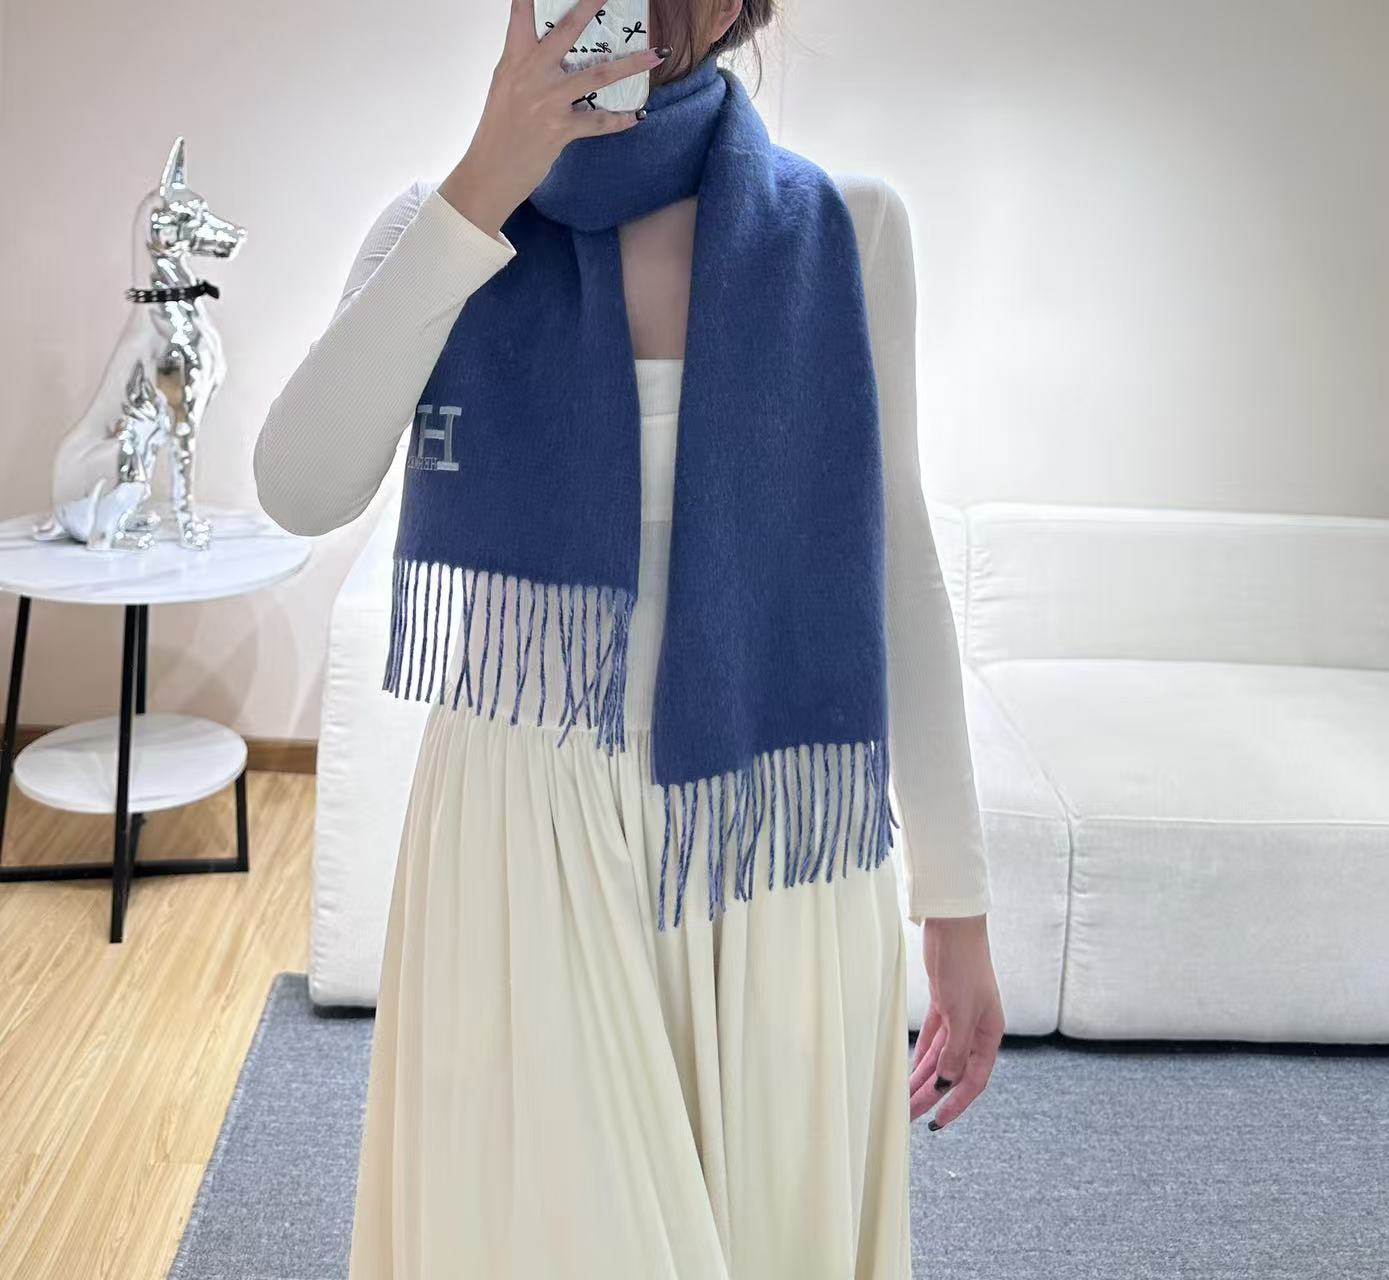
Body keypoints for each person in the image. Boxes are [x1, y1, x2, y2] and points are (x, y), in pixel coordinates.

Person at [254, 1, 1005, 1274]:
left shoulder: (845, 229)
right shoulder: (442, 227)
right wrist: (483, 184)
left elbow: (897, 561)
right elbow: (299, 485)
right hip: (521, 840)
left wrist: (957, 902)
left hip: (770, 849)